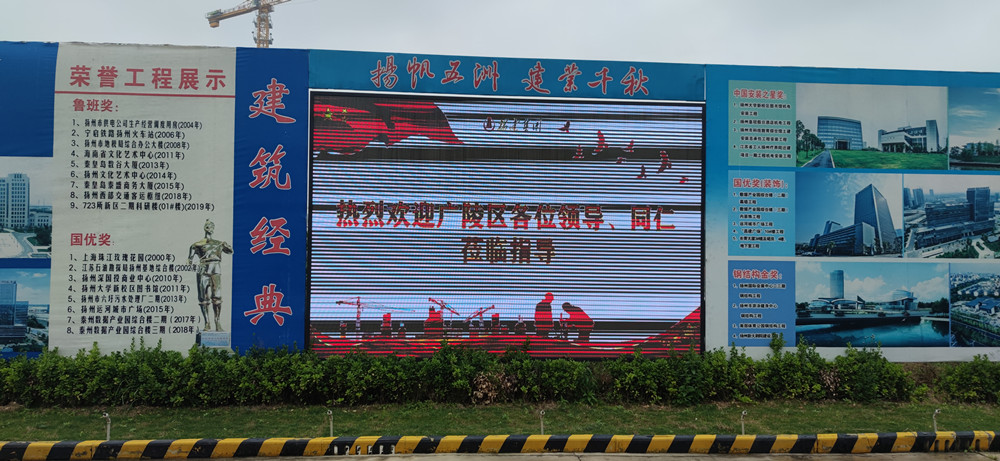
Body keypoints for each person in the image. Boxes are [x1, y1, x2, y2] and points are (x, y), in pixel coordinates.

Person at [188, 219, 233, 331]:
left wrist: (226, 246)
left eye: (212, 226)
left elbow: (230, 251)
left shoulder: (218, 243)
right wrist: (191, 261)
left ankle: (217, 321)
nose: (210, 228)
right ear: (205, 228)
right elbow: (190, 260)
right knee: (203, 298)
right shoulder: (196, 245)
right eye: (208, 226)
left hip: (215, 269)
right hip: (203, 270)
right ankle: (207, 322)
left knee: (217, 296)